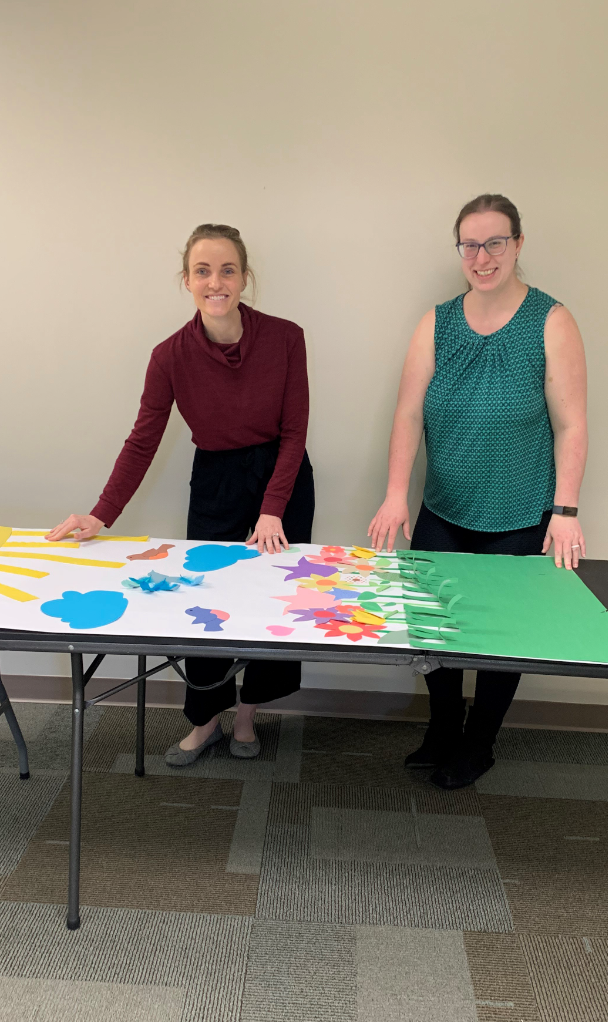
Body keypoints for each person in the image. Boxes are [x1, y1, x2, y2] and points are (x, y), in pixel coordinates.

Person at [47, 224, 314, 765]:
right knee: (208, 604)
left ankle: (247, 718)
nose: (215, 282)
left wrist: (271, 509)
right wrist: (102, 513)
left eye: (227, 269)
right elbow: (143, 439)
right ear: (187, 280)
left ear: (245, 277)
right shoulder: (169, 356)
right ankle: (205, 722)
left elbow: (295, 432)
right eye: (202, 271)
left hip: (282, 482)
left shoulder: (286, 337)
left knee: (270, 602)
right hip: (215, 481)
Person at [368, 193, 588, 790]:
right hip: (445, 505)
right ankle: (443, 726)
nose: (483, 256)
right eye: (471, 244)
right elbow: (409, 412)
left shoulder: (551, 321)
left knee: (500, 636)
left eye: (495, 242)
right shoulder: (435, 323)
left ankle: (480, 741)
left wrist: (565, 511)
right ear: (459, 250)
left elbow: (571, 423)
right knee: (433, 627)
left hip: (520, 512)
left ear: (518, 244)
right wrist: (395, 494)